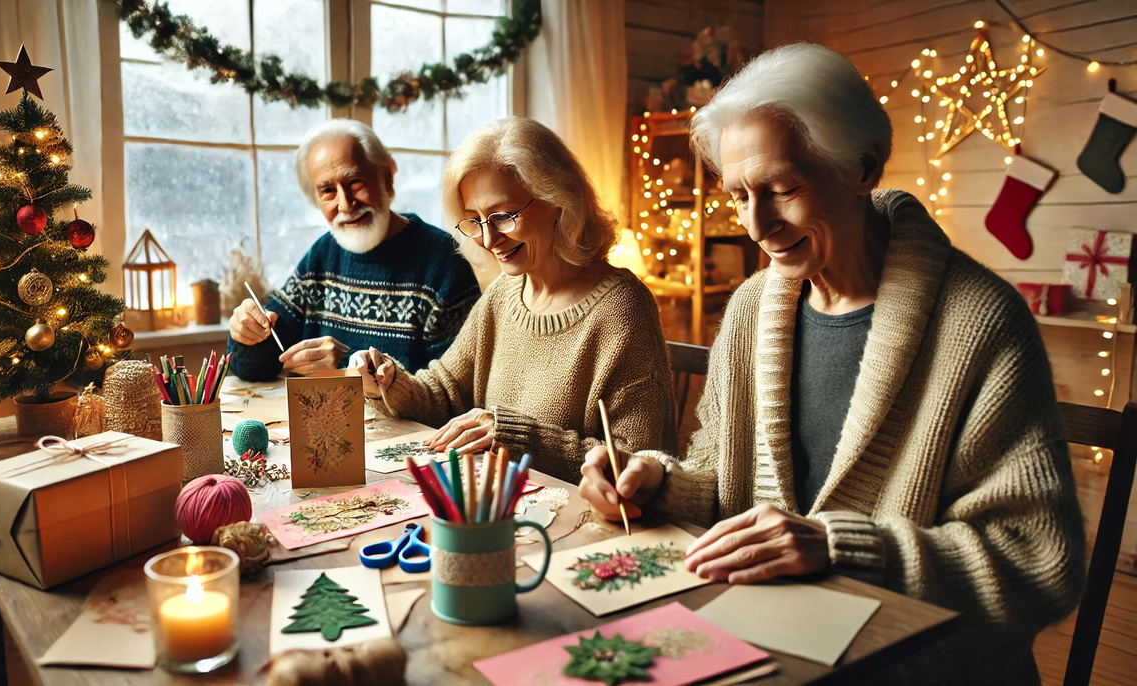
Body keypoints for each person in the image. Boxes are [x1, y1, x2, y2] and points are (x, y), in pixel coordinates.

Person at [577, 43, 1085, 684]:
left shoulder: (980, 322)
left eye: (783, 188)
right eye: (738, 196)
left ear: (863, 167)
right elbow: (722, 481)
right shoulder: (751, 310)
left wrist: (845, 549)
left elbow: (1038, 563)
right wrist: (655, 479)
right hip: (770, 651)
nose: (756, 224)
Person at [348, 117, 677, 485]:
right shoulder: (504, 295)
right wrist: (387, 382)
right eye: (475, 220)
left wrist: (515, 438)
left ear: (558, 200)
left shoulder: (622, 309)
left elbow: (639, 463)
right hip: (500, 502)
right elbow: (444, 392)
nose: (489, 240)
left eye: (502, 216)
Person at [227, 119, 480, 381]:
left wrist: (349, 367)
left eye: (355, 182)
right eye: (327, 190)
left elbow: (455, 390)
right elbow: (250, 367)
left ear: (387, 178)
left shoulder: (445, 263)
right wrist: (245, 333)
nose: (345, 205)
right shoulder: (322, 255)